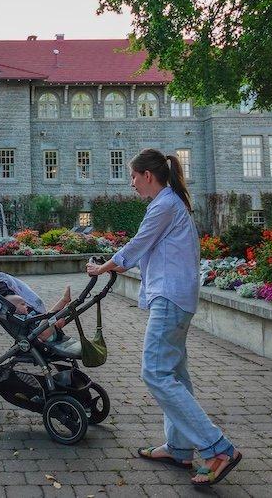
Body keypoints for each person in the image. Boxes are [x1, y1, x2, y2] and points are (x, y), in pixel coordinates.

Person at [86, 148, 242, 488]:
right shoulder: (171, 204)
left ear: (147, 176)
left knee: (155, 371)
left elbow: (137, 245)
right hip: (177, 297)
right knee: (174, 374)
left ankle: (217, 447)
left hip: (170, 298)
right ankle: (179, 447)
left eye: (133, 177)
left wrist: (102, 268)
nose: (131, 184)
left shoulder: (164, 205)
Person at [6, 285, 71, 342]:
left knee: (56, 322)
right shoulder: (17, 317)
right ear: (14, 308)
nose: (25, 306)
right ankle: (64, 301)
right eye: (22, 304)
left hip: (53, 331)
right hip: (42, 335)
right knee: (47, 317)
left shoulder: (28, 312)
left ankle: (63, 313)